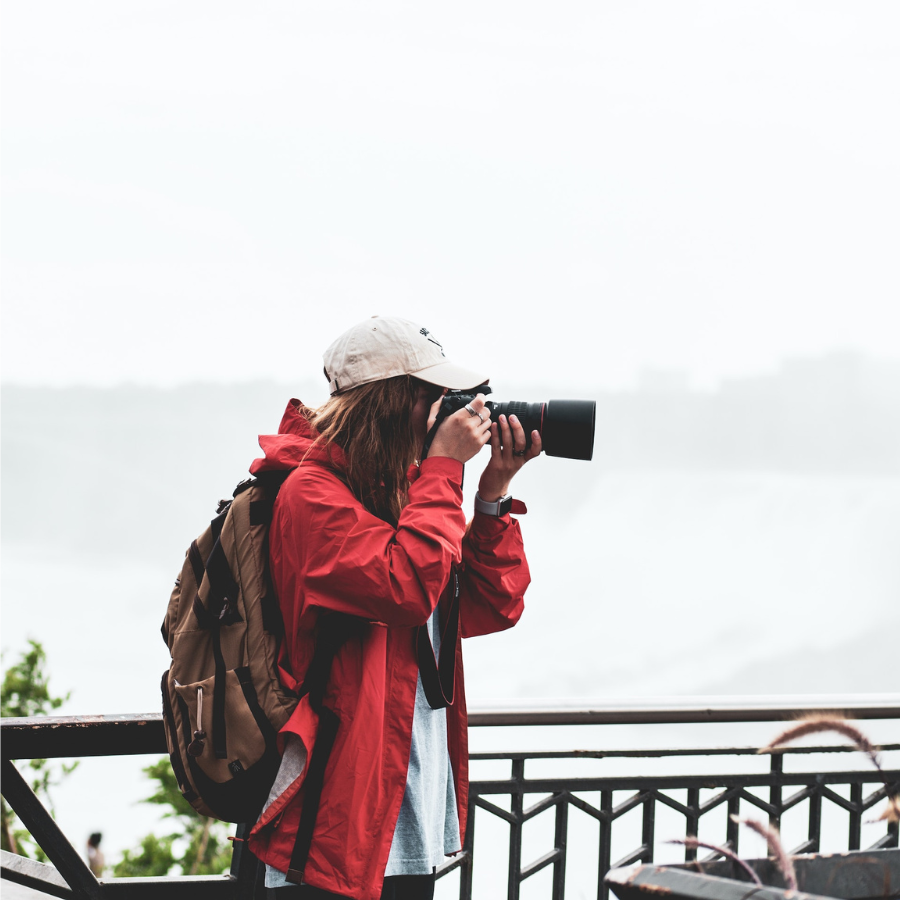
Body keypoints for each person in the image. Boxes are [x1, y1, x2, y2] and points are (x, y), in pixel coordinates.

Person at [247, 316, 540, 900]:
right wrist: (445, 469)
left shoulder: (407, 493)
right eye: (434, 397)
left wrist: (491, 496)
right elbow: (403, 588)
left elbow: (488, 606)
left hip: (409, 808)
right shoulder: (312, 494)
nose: (447, 413)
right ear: (391, 401)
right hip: (335, 822)